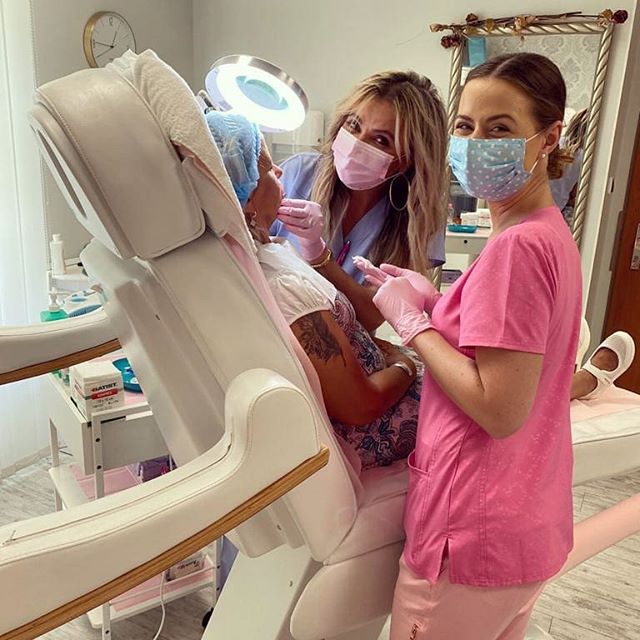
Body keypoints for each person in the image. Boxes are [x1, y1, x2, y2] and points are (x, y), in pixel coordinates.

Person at [366, 52, 587, 639]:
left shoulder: (515, 250)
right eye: (465, 126)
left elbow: (499, 407)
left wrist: (413, 326)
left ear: (549, 138)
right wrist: (437, 308)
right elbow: (506, 353)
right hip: (520, 524)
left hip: (470, 535)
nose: (475, 144)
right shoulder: (549, 233)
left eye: (499, 129)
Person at [205, 109, 422, 470]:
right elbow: (360, 406)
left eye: (382, 139)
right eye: (268, 168)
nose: (280, 172)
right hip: (381, 420)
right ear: (246, 199)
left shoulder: (270, 256)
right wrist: (406, 364)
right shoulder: (283, 286)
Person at [271, 70, 449, 331]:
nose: (356, 143)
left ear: (407, 159)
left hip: (346, 346)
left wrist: (318, 253)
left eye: (381, 140)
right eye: (353, 125)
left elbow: (371, 316)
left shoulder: (417, 218)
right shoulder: (298, 174)